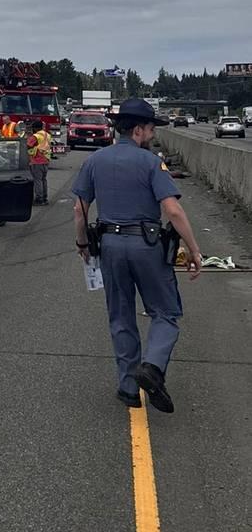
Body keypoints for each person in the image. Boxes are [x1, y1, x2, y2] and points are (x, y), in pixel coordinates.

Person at [72, 97, 203, 412]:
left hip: (110, 247)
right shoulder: (151, 162)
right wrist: (194, 249)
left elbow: (79, 210)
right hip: (146, 246)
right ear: (140, 130)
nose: (153, 135)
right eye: (151, 129)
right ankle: (153, 367)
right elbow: (171, 209)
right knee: (165, 313)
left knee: (121, 316)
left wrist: (83, 246)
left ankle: (128, 387)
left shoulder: (94, 161)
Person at [26, 119, 50, 205]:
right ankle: (44, 198)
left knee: (37, 180)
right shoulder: (47, 135)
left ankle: (39, 199)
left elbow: (28, 145)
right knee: (43, 179)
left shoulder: (36, 136)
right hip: (45, 160)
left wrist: (28, 136)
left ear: (35, 128)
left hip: (37, 160)